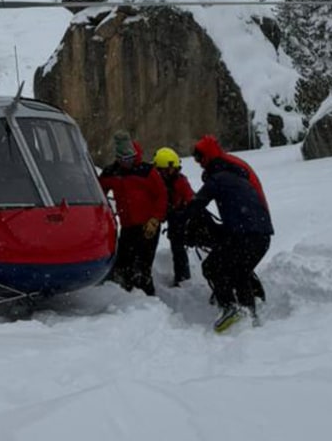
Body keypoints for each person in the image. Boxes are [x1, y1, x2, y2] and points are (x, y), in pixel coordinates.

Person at [176, 135, 272, 332]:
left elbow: (197, 203)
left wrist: (179, 220)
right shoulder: (234, 174)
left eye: (199, 158)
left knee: (213, 266)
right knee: (239, 271)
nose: (199, 164)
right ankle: (249, 314)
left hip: (246, 235)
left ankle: (230, 308)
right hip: (261, 235)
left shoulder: (219, 178)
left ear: (208, 157)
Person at [98, 130, 167, 295]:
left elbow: (161, 196)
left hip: (148, 226)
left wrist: (155, 219)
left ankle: (148, 298)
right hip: (128, 226)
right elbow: (99, 192)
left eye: (130, 158)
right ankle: (126, 296)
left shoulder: (147, 171)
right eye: (123, 159)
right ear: (118, 158)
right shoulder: (111, 173)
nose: (127, 163)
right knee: (123, 264)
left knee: (143, 266)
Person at [153, 147, 195, 286]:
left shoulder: (180, 181)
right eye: (167, 169)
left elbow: (190, 198)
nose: (171, 172)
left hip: (178, 215)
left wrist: (185, 214)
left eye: (173, 169)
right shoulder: (154, 181)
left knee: (178, 247)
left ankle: (182, 277)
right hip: (158, 214)